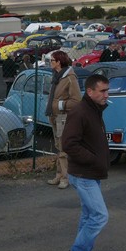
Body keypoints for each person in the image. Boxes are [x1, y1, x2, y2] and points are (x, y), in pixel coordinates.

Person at [61, 74, 110, 251]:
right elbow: (69, 144)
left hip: (91, 173)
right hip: (84, 174)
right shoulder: (80, 112)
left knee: (89, 215)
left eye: (107, 90)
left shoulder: (94, 110)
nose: (107, 95)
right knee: (100, 216)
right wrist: (92, 159)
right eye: (103, 91)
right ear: (90, 92)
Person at [46, 51, 82, 190]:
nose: (50, 63)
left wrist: (61, 105)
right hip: (54, 116)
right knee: (58, 146)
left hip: (63, 117)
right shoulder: (57, 77)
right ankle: (59, 175)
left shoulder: (69, 78)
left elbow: (77, 100)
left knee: (63, 148)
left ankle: (65, 178)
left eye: (52, 60)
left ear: (59, 62)